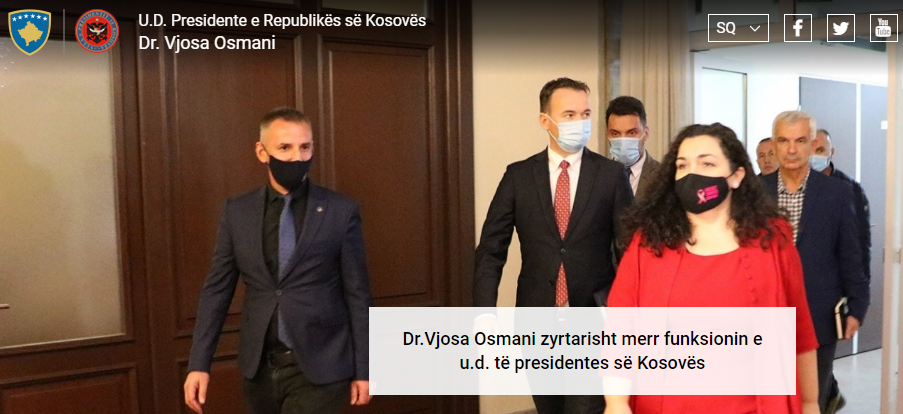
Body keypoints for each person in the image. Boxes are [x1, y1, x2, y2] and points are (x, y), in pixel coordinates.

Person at [605, 122, 819, 414]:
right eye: (683, 165)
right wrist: (616, 403)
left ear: (736, 176)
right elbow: (620, 329)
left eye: (707, 163)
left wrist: (810, 403)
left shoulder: (772, 240)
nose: (692, 174)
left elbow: (800, 329)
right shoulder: (648, 244)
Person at [183, 108, 373, 414]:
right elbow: (217, 290)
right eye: (285, 148)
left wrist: (365, 369)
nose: (297, 157)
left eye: (305, 147)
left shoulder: (340, 210)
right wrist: (198, 364)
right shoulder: (238, 212)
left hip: (321, 368)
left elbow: (358, 294)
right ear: (262, 152)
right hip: (259, 369)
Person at [473, 77, 633, 413]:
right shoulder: (518, 176)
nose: (580, 123)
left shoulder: (610, 175)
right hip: (536, 323)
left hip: (594, 323)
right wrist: (485, 312)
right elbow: (491, 249)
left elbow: (629, 250)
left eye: (585, 114)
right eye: (569, 114)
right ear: (545, 121)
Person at [761, 111, 869, 413]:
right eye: (783, 141)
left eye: (799, 141)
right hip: (766, 313)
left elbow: (851, 252)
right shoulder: (754, 191)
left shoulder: (838, 193)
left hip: (818, 314)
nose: (791, 149)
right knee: (770, 399)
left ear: (811, 144)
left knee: (813, 400)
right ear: (774, 144)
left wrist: (857, 306)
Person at [605, 96, 661, 201]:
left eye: (631, 133)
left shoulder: (662, 176)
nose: (623, 140)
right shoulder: (598, 176)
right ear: (607, 135)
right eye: (615, 134)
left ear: (646, 133)